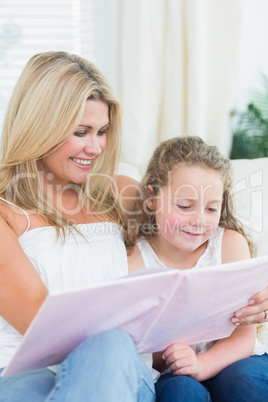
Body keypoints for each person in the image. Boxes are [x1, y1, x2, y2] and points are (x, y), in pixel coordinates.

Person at [0, 51, 155, 401]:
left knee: (109, 347)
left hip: (120, 370)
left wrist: (248, 294)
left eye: (102, 131)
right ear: (40, 125)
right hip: (24, 374)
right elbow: (42, 325)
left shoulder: (119, 192)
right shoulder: (5, 214)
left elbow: (201, 239)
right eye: (81, 132)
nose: (96, 147)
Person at [126, 136, 268, 402]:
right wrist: (180, 360)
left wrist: (201, 365)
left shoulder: (228, 245)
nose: (199, 220)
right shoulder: (134, 260)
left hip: (236, 358)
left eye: (212, 208)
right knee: (181, 391)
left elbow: (244, 336)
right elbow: (140, 351)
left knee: (246, 382)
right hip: (173, 371)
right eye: (184, 206)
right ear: (151, 198)